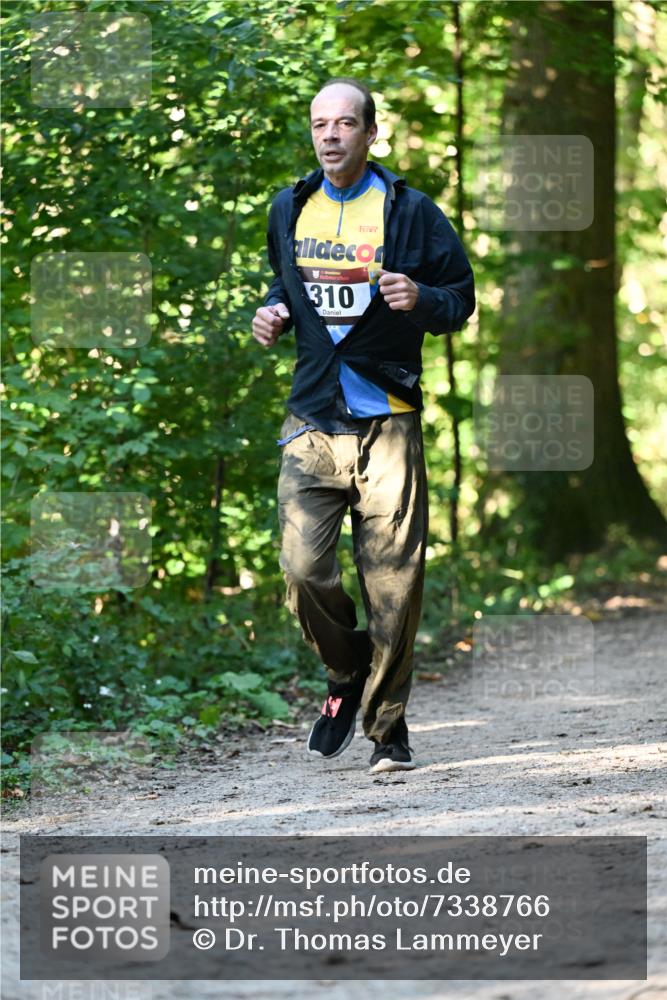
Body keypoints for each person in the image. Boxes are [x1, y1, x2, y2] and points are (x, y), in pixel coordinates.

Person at [252, 78, 475, 774]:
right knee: (302, 568)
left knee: (393, 585)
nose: (330, 135)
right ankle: (345, 673)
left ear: (369, 134)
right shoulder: (289, 207)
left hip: (389, 419)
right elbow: (281, 284)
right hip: (312, 416)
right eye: (320, 123)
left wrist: (423, 298)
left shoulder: (410, 212)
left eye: (345, 123)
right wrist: (269, 312)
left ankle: (387, 729)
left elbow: (460, 297)